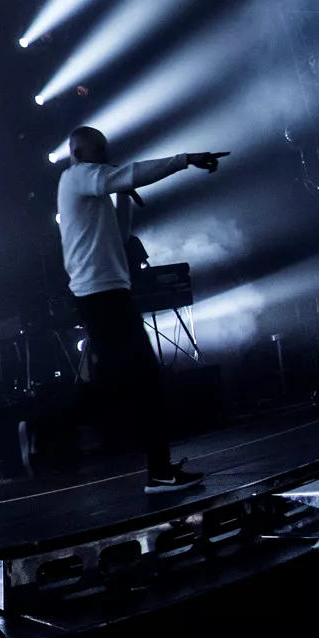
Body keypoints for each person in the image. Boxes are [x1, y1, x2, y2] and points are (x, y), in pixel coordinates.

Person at [56, 127, 227, 494]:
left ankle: (47, 429)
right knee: (143, 378)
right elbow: (130, 173)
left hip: (108, 294)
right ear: (78, 153)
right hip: (100, 296)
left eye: (105, 150)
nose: (104, 157)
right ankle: (158, 471)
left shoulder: (93, 187)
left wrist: (122, 198)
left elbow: (119, 237)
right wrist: (186, 159)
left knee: (119, 383)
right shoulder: (76, 177)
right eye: (97, 150)